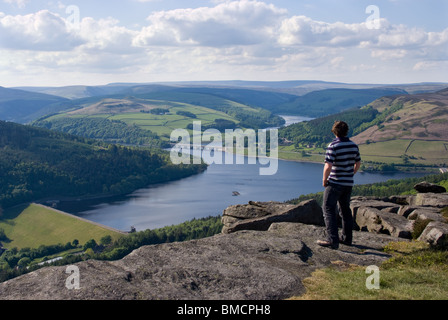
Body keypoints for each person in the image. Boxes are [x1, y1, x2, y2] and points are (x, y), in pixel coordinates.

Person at [317, 121, 361, 249]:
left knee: (328, 209)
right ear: (346, 131)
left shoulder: (333, 146)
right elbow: (358, 163)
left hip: (335, 183)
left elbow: (328, 165)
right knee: (345, 210)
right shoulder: (353, 145)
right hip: (348, 183)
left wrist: (325, 179)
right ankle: (347, 239)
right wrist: (351, 173)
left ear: (335, 132)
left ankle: (332, 240)